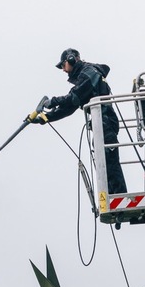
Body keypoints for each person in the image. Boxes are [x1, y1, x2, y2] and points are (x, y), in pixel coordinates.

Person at [31, 48, 127, 194]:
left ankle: (119, 197)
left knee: (110, 163)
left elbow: (73, 97)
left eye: (63, 65)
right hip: (100, 124)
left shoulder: (89, 73)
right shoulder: (84, 76)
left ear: (71, 59)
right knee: (104, 163)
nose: (63, 70)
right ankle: (114, 196)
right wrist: (46, 118)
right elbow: (70, 107)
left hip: (106, 122)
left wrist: (53, 101)